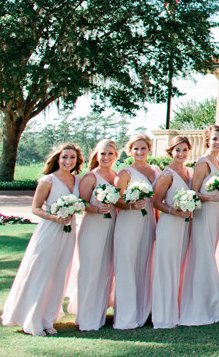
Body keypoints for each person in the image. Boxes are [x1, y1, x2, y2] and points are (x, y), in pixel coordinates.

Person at [1, 143, 84, 336]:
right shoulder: (48, 180)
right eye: (64, 157)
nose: (68, 161)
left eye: (72, 158)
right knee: (41, 273)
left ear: (77, 161)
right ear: (57, 159)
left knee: (59, 275)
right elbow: (36, 208)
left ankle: (48, 320)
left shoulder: (78, 181)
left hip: (68, 232)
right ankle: (32, 320)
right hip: (49, 231)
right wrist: (55, 217)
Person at [178, 125, 219, 326]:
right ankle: (200, 308)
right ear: (207, 140)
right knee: (203, 256)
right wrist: (210, 197)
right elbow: (193, 192)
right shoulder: (203, 163)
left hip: (216, 213)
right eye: (214, 139)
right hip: (204, 214)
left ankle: (209, 304)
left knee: (210, 255)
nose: (218, 142)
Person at [112, 134, 159, 330]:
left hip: (148, 221)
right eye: (135, 149)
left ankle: (143, 311)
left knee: (145, 266)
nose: (139, 152)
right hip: (129, 222)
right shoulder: (125, 173)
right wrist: (131, 206)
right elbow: (115, 200)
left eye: (143, 148)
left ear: (149, 149)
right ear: (129, 151)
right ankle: (125, 317)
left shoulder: (155, 170)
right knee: (127, 266)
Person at [72, 139, 119, 331]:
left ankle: (98, 315)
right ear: (96, 155)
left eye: (110, 154)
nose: (106, 157)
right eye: (102, 154)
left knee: (105, 272)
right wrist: (97, 210)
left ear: (116, 156)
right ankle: (86, 318)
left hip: (112, 227)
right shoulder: (90, 177)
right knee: (90, 271)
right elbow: (80, 203)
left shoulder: (116, 176)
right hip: (93, 228)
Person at [151, 135, 195, 329]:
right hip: (169, 224)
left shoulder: (189, 172)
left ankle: (175, 311)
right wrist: (174, 211)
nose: (181, 153)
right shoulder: (166, 174)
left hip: (184, 226)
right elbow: (156, 201)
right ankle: (162, 317)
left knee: (178, 268)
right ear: (171, 152)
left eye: (184, 150)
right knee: (166, 269)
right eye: (177, 150)